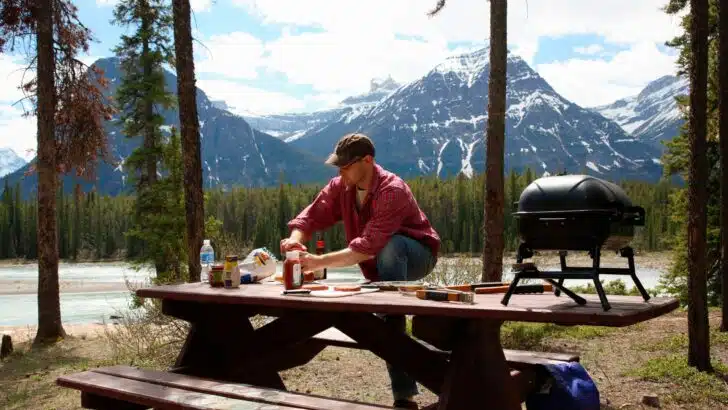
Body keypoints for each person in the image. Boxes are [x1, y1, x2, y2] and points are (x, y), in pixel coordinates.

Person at [281, 133, 441, 410]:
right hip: (377, 263)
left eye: (345, 165)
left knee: (390, 261)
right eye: (338, 166)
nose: (340, 171)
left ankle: (404, 395)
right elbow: (311, 215)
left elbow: (368, 247)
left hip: (417, 256)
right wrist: (296, 238)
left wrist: (317, 262)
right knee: (385, 301)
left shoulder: (393, 190)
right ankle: (390, 322)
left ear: (367, 160)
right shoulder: (341, 185)